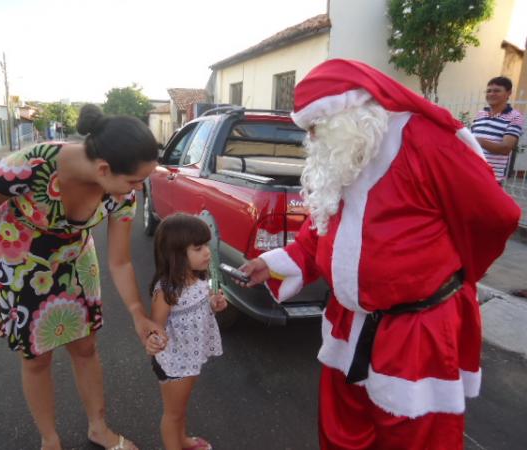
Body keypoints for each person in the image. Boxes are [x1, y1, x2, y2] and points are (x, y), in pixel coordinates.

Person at [238, 59, 521, 449]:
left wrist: (455, 272)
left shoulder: (425, 140)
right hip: (347, 321)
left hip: (416, 331)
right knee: (342, 433)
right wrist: (273, 263)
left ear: (349, 111)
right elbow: (321, 226)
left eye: (318, 126)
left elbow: (494, 217)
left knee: (416, 437)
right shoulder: (347, 152)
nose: (313, 138)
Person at [0, 104, 167, 450]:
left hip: (74, 261)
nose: (137, 189)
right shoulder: (29, 165)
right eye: (134, 180)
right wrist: (15, 234)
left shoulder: (121, 192)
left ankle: (98, 428)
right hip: (22, 263)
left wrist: (138, 313)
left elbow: (120, 261)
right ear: (104, 168)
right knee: (37, 358)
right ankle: (50, 439)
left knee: (86, 346)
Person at [147, 213, 227, 450]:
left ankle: (181, 439)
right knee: (172, 414)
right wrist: (152, 339)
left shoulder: (198, 277)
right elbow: (156, 326)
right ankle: (175, 442)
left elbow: (201, 306)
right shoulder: (167, 290)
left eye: (206, 245)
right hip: (175, 362)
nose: (207, 252)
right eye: (199, 248)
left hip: (191, 355)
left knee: (180, 408)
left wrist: (213, 304)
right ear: (176, 253)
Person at [471, 76, 524, 184]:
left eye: (497, 91)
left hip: (491, 178)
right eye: (489, 91)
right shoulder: (480, 114)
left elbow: (505, 148)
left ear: (508, 93)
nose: (491, 94)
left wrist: (477, 140)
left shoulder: (515, 117)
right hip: (470, 172)